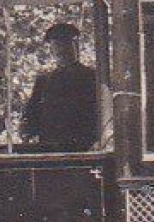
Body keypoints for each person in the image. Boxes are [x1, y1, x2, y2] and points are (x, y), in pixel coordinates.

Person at [20, 21, 99, 152]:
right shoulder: (44, 81)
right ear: (52, 49)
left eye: (66, 44)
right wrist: (26, 128)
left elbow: (98, 113)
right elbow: (32, 113)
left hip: (82, 148)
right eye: (56, 44)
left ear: (76, 47)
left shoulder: (91, 77)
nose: (61, 49)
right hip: (49, 147)